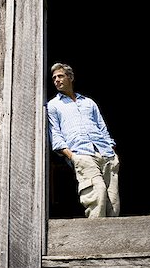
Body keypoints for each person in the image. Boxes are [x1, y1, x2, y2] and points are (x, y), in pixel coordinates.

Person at [46, 62, 120, 218]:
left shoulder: (88, 102)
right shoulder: (53, 105)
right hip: (81, 154)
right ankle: (97, 237)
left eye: (60, 76)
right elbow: (56, 134)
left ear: (70, 77)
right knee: (97, 194)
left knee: (112, 201)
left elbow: (102, 127)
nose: (57, 80)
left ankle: (113, 237)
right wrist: (72, 157)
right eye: (54, 78)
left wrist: (112, 151)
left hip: (105, 153)